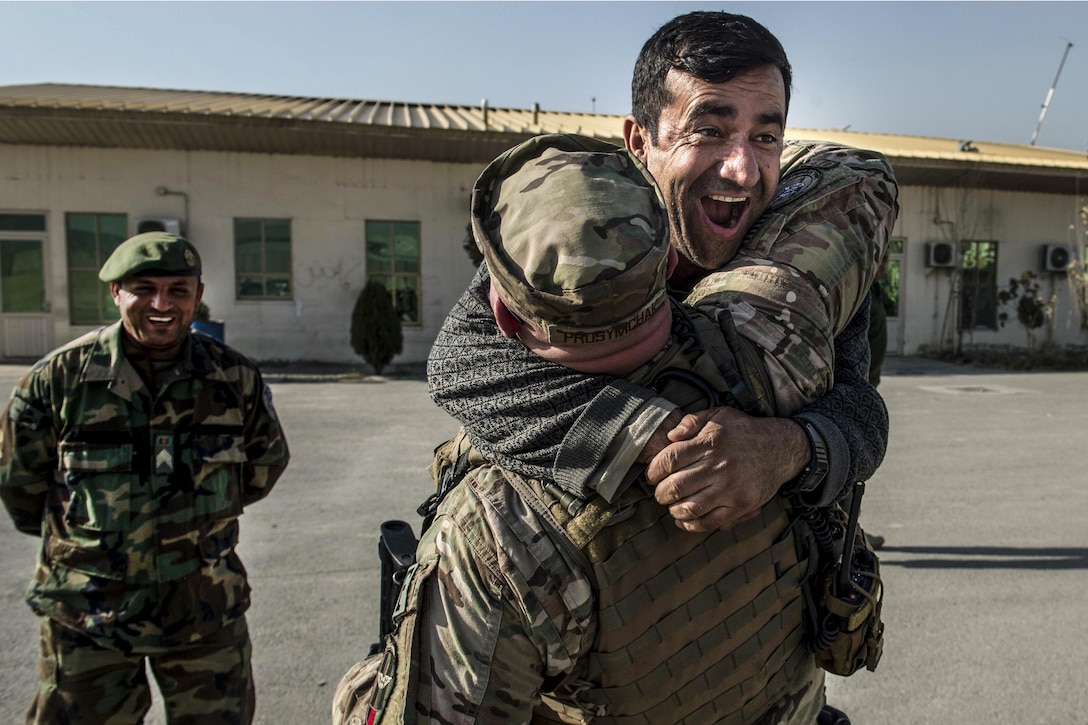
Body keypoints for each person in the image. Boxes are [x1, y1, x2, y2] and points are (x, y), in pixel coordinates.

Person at [334, 116, 893, 725]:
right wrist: (792, 447)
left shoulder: (496, 527)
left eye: (764, 136)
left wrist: (366, 689)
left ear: (503, 316)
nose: (741, 165)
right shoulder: (772, 356)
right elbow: (856, 176)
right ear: (668, 263)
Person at [0, 232, 290, 725]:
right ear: (116, 293)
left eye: (178, 289)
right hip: (89, 617)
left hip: (204, 611)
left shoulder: (234, 378)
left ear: (198, 297)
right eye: (144, 288)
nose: (162, 303)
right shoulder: (59, 380)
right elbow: (20, 483)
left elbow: (262, 468)